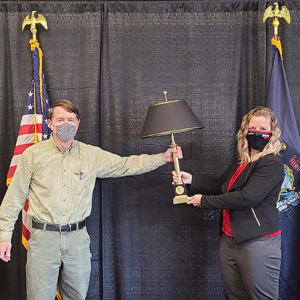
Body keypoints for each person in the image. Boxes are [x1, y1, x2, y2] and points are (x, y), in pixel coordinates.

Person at [0, 99, 182, 300]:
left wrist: (161, 158)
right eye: (60, 119)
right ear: (49, 123)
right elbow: (14, 198)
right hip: (43, 239)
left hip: (77, 239)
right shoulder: (32, 155)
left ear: (78, 124)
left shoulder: (90, 155)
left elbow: (125, 165)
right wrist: (4, 236)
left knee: (77, 296)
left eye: (71, 119)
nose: (66, 124)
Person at [173, 106, 284, 300]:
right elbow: (222, 186)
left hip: (258, 243)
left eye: (263, 128)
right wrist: (192, 179)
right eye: (253, 127)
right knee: (235, 296)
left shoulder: (271, 163)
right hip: (229, 241)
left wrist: (204, 201)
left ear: (272, 132)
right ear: (245, 131)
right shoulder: (242, 161)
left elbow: (247, 197)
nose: (258, 133)